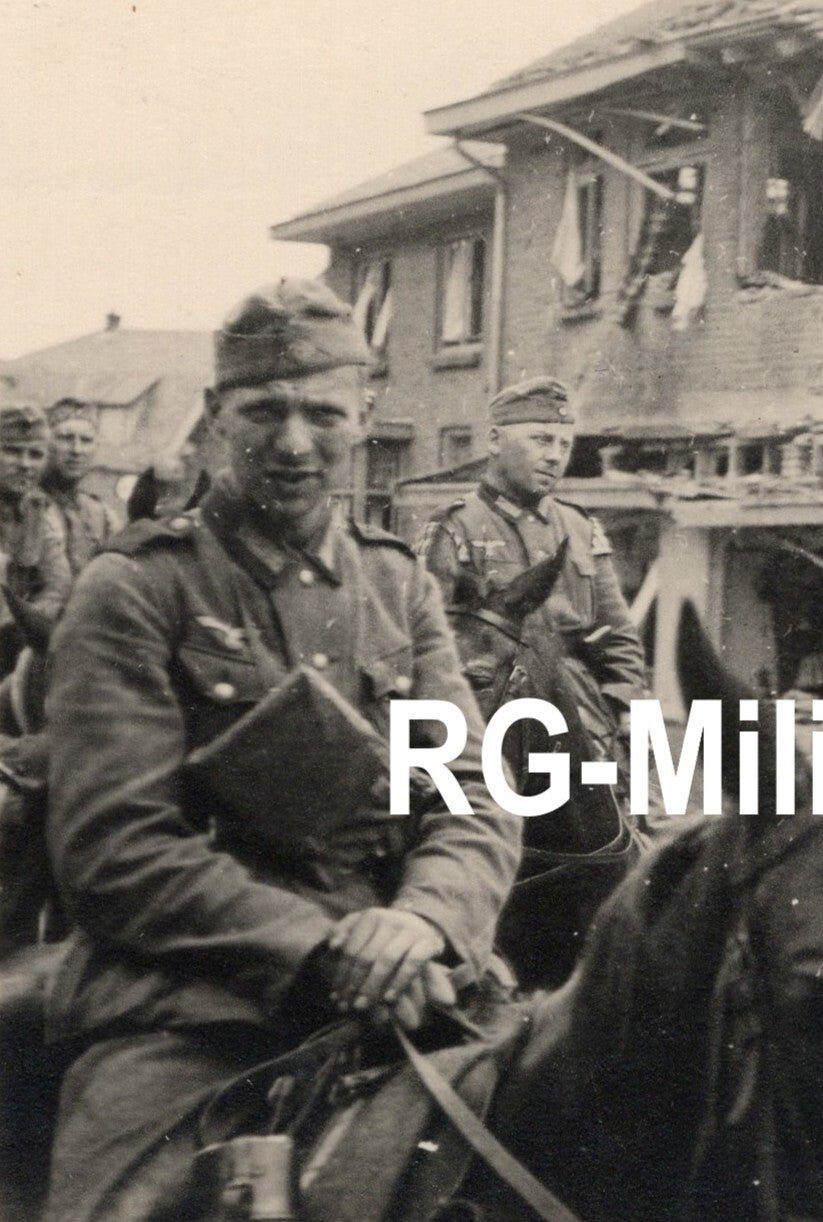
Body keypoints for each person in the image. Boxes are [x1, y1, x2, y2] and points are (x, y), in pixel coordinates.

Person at [39, 278, 520, 1221]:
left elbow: (472, 793)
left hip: (417, 983)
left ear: (365, 417)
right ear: (218, 416)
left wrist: (424, 921)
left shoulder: (399, 582)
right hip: (194, 1006)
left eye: (324, 414)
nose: (294, 443)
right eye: (264, 411)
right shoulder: (137, 588)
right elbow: (114, 847)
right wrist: (326, 947)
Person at [419, 376, 648, 705]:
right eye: (542, 440)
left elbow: (619, 636)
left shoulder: (581, 529)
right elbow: (426, 639)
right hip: (488, 702)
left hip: (577, 702)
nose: (555, 456)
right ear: (495, 440)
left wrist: (623, 703)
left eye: (564, 444)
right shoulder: (455, 527)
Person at [0, 404, 71, 623]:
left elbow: (59, 586)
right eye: (12, 451)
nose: (25, 464)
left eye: (35, 454)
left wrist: (21, 622)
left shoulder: (35, 510)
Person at [42, 398, 125, 572]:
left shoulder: (102, 515)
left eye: (86, 440)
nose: (76, 450)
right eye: (65, 438)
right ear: (45, 443)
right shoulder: (22, 506)